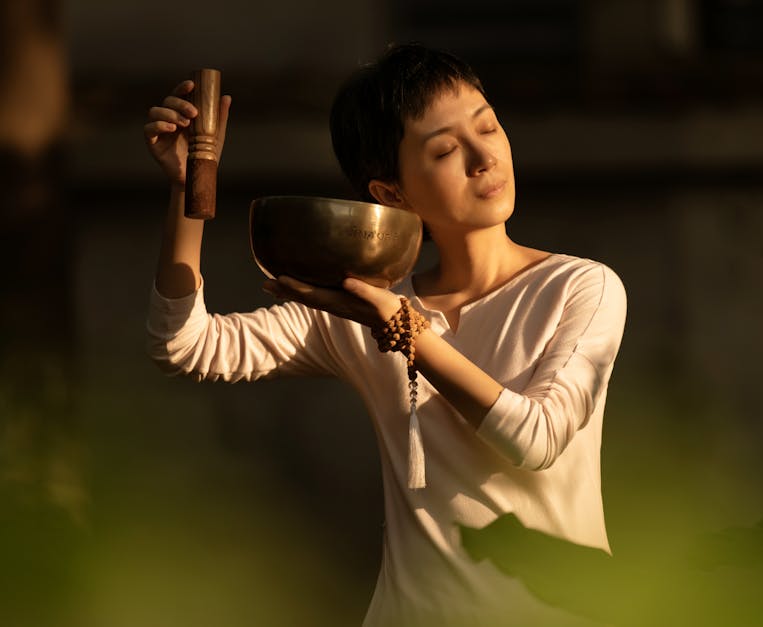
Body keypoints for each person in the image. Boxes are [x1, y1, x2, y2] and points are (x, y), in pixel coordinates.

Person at [143, 43, 627, 626]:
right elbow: (186, 345)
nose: (482, 158)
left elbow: (536, 438)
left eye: (488, 127)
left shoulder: (580, 287)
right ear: (391, 194)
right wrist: (188, 187)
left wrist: (400, 329)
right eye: (445, 150)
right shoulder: (365, 306)